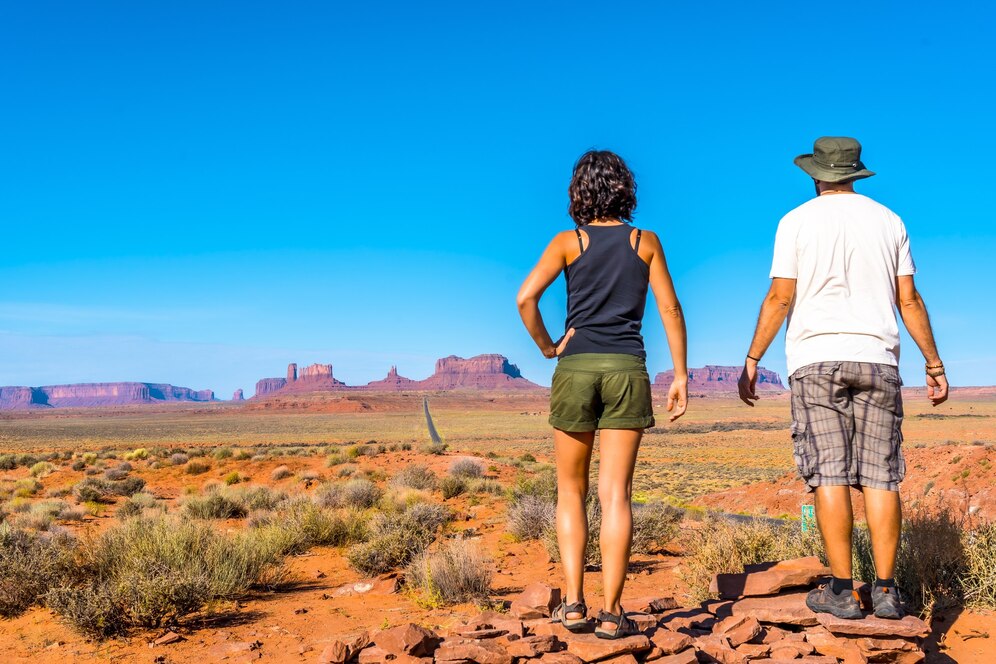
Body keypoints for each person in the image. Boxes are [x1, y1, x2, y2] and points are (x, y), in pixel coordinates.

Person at [738, 137, 948, 620]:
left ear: (816, 175)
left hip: (815, 359)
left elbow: (779, 298)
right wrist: (933, 363)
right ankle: (888, 591)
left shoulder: (795, 221)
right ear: (855, 173)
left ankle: (840, 590)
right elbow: (909, 300)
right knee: (881, 476)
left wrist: (752, 359)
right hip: (878, 358)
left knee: (828, 472)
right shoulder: (889, 220)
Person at [517, 150, 688, 638]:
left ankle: (573, 604)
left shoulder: (568, 242)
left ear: (579, 191)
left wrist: (550, 346)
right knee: (616, 495)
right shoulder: (644, 241)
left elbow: (525, 297)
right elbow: (671, 310)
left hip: (575, 367)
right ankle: (612, 613)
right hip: (626, 370)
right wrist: (679, 374)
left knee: (570, 491)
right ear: (624, 188)